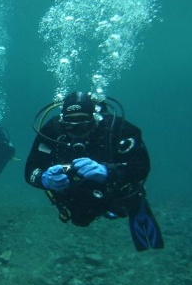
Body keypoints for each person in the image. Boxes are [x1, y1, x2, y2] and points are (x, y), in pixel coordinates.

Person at [24, 91, 163, 251]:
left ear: (95, 118)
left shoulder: (118, 128)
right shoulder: (52, 130)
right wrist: (42, 178)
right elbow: (31, 169)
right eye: (69, 124)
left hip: (112, 192)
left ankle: (136, 205)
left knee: (122, 203)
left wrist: (109, 172)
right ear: (62, 121)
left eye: (82, 123)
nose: (76, 130)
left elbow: (141, 166)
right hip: (71, 192)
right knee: (79, 218)